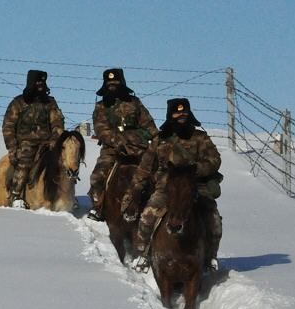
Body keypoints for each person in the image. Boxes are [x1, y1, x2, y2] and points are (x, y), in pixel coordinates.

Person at [122, 98, 223, 270]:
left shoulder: (200, 138)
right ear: (170, 115)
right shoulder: (160, 140)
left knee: (214, 220)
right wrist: (134, 191)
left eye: (184, 112)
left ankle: (210, 257)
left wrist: (196, 169)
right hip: (166, 188)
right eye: (177, 112)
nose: (181, 116)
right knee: (147, 216)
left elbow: (215, 160)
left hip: (196, 187)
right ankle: (144, 254)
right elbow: (145, 167)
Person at [87, 68, 158, 221]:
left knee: (156, 172)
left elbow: (149, 124)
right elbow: (101, 130)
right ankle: (98, 207)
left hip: (138, 147)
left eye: (116, 83)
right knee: (97, 177)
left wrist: (155, 139)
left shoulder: (135, 102)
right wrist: (118, 141)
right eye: (110, 83)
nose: (113, 86)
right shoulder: (101, 106)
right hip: (112, 149)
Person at [2, 70, 65, 208]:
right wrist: (13, 148)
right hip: (25, 143)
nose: (40, 85)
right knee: (25, 162)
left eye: (42, 82)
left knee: (64, 162)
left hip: (47, 143)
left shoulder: (50, 103)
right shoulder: (18, 102)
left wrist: (55, 140)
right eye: (37, 82)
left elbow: (57, 123)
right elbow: (8, 127)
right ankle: (16, 195)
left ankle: (66, 195)